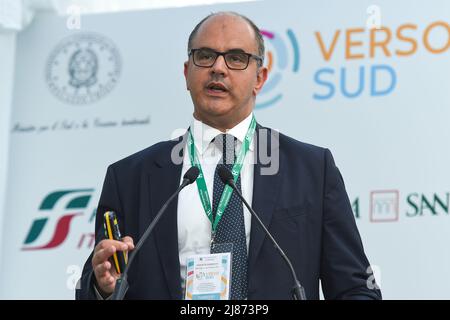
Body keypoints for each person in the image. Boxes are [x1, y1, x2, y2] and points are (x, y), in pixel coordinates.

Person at [76, 11, 381, 300]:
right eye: (205, 55)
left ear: (259, 78)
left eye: (236, 58)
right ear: (187, 72)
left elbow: (356, 287)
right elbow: (93, 285)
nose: (218, 68)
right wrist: (103, 288)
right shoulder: (129, 177)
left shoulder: (312, 170)